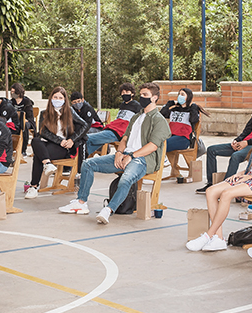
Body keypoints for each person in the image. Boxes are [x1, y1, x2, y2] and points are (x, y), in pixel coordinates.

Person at [187, 100, 252, 252]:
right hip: (251, 177)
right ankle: (218, 238)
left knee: (226, 194)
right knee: (211, 191)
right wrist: (240, 174)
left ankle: (208, 235)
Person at [60, 83, 170, 225]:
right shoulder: (136, 117)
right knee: (88, 164)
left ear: (154, 98)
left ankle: (108, 210)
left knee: (125, 179)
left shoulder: (159, 120)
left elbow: (152, 146)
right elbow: (124, 138)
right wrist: (119, 152)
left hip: (142, 159)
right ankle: (81, 202)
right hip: (125, 155)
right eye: (141, 94)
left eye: (145, 95)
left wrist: (131, 156)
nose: (142, 97)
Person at [196, 88, 252, 193]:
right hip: (244, 143)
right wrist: (237, 140)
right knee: (211, 150)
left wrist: (247, 143)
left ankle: (225, 187)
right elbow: (247, 130)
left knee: (235, 156)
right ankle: (210, 183)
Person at [25, 87, 88, 199]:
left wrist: (72, 140)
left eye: (60, 98)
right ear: (51, 98)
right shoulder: (44, 113)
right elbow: (43, 132)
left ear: (64, 100)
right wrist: (59, 140)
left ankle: (34, 187)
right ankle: (48, 164)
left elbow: (85, 125)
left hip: (63, 148)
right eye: (55, 97)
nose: (57, 100)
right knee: (35, 140)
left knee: (38, 156)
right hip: (50, 144)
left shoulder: (70, 111)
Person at [85, 83, 141, 156]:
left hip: (120, 132)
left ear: (132, 93)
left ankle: (79, 157)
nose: (125, 94)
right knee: (93, 143)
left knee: (86, 138)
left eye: (127, 92)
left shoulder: (137, 105)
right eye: (123, 92)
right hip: (113, 128)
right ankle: (80, 158)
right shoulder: (122, 105)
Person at [159, 87, 208, 152]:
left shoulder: (192, 110)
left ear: (188, 97)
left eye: (182, 94)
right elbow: (161, 114)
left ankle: (160, 157)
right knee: (155, 143)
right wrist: (170, 103)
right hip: (170, 136)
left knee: (161, 145)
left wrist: (194, 106)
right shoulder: (174, 110)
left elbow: (193, 120)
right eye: (179, 94)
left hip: (183, 139)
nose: (180, 96)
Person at [9, 82, 36, 154]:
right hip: (15, 121)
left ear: (18, 92)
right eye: (11, 92)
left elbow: (30, 116)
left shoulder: (27, 102)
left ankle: (23, 149)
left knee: (24, 127)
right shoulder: (11, 102)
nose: (12, 93)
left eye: (14, 92)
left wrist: (25, 119)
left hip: (27, 121)